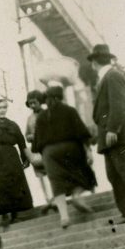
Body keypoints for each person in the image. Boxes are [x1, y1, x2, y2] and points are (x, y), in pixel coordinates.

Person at [32, 86, 97, 229]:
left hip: (49, 152)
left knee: (57, 183)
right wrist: (88, 151)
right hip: (71, 148)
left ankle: (64, 216)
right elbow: (82, 133)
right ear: (61, 97)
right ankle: (77, 196)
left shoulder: (42, 116)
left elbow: (36, 142)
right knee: (83, 174)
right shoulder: (69, 111)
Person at [88, 44, 125, 224]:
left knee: (124, 173)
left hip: (116, 137)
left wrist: (113, 128)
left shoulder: (111, 76)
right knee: (115, 175)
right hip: (109, 137)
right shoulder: (107, 77)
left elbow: (119, 105)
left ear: (93, 62)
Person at [0, 98, 33, 224]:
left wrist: (25, 159)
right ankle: (4, 215)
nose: (1, 110)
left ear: (7, 109)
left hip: (11, 157)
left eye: (4, 107)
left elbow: (21, 142)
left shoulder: (13, 125)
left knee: (14, 183)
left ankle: (15, 214)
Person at [25, 90, 54, 211]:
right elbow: (27, 135)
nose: (32, 105)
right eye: (30, 103)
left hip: (49, 147)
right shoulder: (30, 118)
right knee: (41, 175)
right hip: (37, 150)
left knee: (52, 173)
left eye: (34, 102)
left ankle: (56, 198)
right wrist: (31, 136)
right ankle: (47, 199)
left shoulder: (48, 114)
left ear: (40, 102)